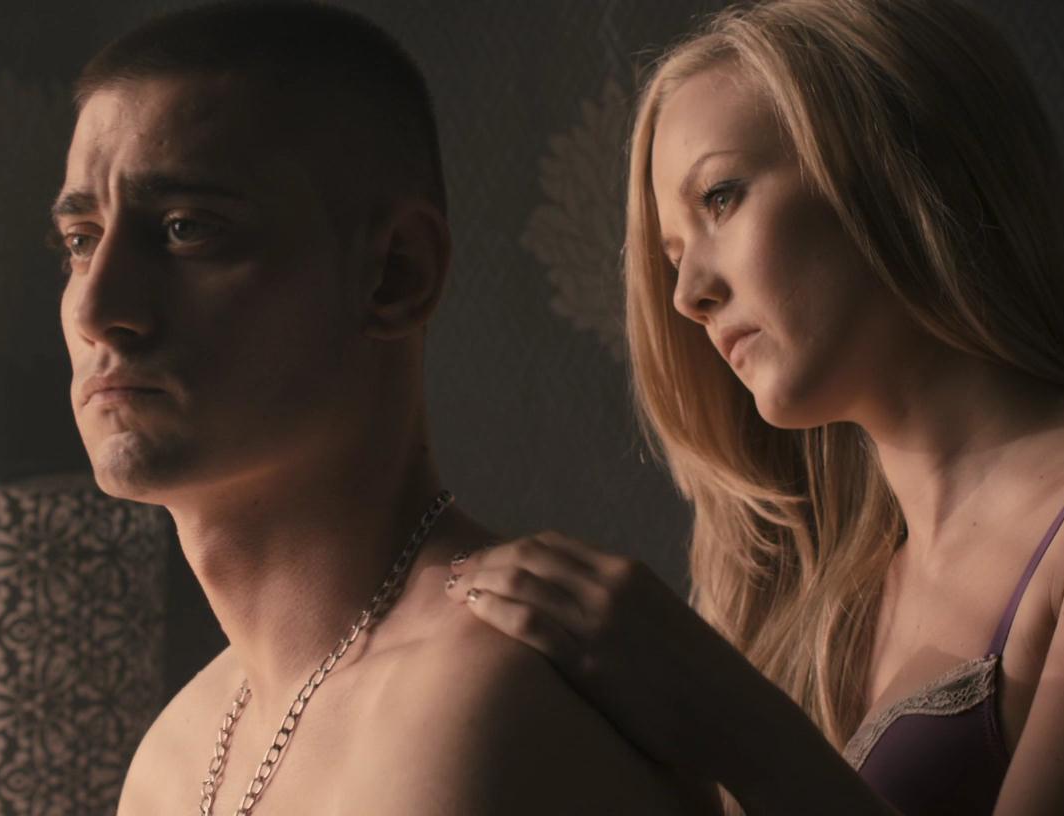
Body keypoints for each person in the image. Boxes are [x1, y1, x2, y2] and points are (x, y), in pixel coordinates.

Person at [444, 0, 1064, 813]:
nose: (688, 295)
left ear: (895, 166)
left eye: (721, 198)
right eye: (672, 255)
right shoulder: (810, 589)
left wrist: (726, 715)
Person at [51, 2, 707, 814]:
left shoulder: (483, 705)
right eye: (81, 240)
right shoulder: (172, 759)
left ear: (396, 273)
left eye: (187, 228)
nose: (97, 307)